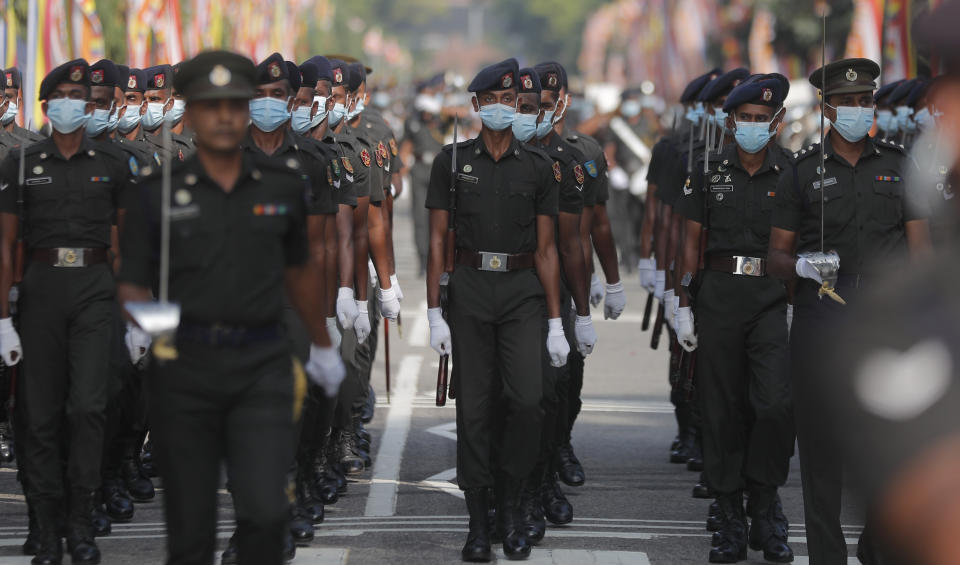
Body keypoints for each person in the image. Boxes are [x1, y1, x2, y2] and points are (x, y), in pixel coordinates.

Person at [116, 49, 344, 565]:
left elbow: (301, 273)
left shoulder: (282, 188)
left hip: (261, 364)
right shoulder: (157, 194)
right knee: (191, 530)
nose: (224, 116)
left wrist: (324, 342)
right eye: (209, 105)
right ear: (189, 113)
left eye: (235, 104)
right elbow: (130, 284)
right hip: (185, 370)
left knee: (266, 513)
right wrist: (160, 329)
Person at [766, 57, 933, 565]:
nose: (859, 110)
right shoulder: (802, 172)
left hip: (885, 324)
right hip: (825, 320)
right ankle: (826, 556)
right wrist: (801, 266)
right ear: (827, 108)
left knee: (886, 443)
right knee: (821, 450)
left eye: (866, 101)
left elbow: (920, 251)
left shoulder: (899, 165)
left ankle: (878, 547)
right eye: (848, 103)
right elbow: (774, 256)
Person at [426, 57, 566, 562]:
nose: (505, 109)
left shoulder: (538, 168)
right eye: (495, 101)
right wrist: (432, 312)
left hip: (523, 292)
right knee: (476, 408)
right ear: (477, 105)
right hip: (469, 289)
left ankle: (512, 505)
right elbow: (438, 239)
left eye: (512, 101)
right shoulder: (451, 162)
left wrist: (556, 322)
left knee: (527, 402)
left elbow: (548, 250)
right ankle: (480, 521)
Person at [0, 58, 135, 565]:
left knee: (88, 408)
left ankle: (81, 524)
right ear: (45, 107)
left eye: (80, 98)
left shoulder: (112, 164)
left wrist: (133, 315)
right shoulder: (20, 162)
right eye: (62, 97)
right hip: (40, 290)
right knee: (38, 415)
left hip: (95, 290)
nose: (72, 105)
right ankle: (45, 525)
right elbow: (6, 244)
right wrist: (3, 318)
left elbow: (126, 246)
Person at [675, 74, 795, 564]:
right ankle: (729, 514)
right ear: (730, 122)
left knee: (773, 406)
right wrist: (682, 301)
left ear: (777, 123)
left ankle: (765, 506)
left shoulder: (794, 171)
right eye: (743, 118)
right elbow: (690, 241)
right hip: (719, 295)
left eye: (761, 120)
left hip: (770, 297)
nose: (751, 126)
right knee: (720, 408)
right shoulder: (706, 170)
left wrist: (795, 300)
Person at [534, 61, 624, 493]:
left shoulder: (585, 152)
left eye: (550, 103)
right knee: (537, 383)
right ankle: (537, 470)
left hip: (573, 279)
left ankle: (561, 445)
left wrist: (612, 280)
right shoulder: (517, 147)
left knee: (568, 378)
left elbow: (599, 223)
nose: (542, 110)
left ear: (565, 102)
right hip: (526, 280)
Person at [136, 65, 193, 161]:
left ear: (169, 104)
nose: (148, 105)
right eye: (144, 99)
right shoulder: (127, 142)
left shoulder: (183, 147)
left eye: (154, 99)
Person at [1, 68, 44, 144]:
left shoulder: (34, 143)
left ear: (19, 102)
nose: (5, 102)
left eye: (8, 96)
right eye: (1, 97)